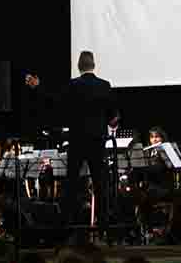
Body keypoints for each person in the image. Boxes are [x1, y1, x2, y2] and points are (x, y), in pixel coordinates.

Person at [26, 51, 116, 232]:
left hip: (77, 140)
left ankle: (66, 225)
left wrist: (38, 86)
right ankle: (104, 225)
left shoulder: (73, 85)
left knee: (72, 184)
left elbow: (55, 100)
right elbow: (112, 115)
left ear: (79, 66)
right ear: (93, 65)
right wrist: (106, 121)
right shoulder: (105, 86)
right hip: (98, 141)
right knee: (100, 183)